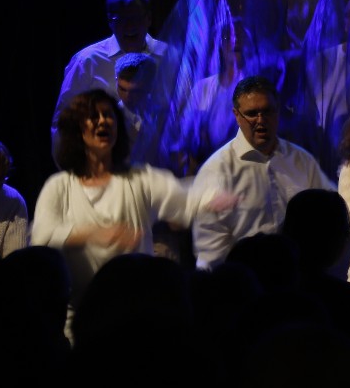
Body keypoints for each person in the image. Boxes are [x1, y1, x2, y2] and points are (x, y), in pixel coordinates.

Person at [30, 89, 219, 319]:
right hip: (82, 317)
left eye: (108, 115)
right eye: (94, 116)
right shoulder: (59, 186)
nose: (103, 121)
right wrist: (93, 233)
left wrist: (210, 198)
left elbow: (183, 197)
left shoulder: (139, 179)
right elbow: (41, 236)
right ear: (77, 129)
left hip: (136, 312)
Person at [191, 76, 335, 271]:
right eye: (252, 114)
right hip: (244, 282)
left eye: (267, 111)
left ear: (278, 111)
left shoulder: (301, 161)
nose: (261, 120)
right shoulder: (217, 170)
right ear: (237, 115)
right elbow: (210, 250)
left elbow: (331, 212)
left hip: (299, 278)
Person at [52, 0, 171, 122]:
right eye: (121, 19)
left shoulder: (170, 56)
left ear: (148, 18)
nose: (129, 25)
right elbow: (63, 120)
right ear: (110, 21)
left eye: (136, 18)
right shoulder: (86, 62)